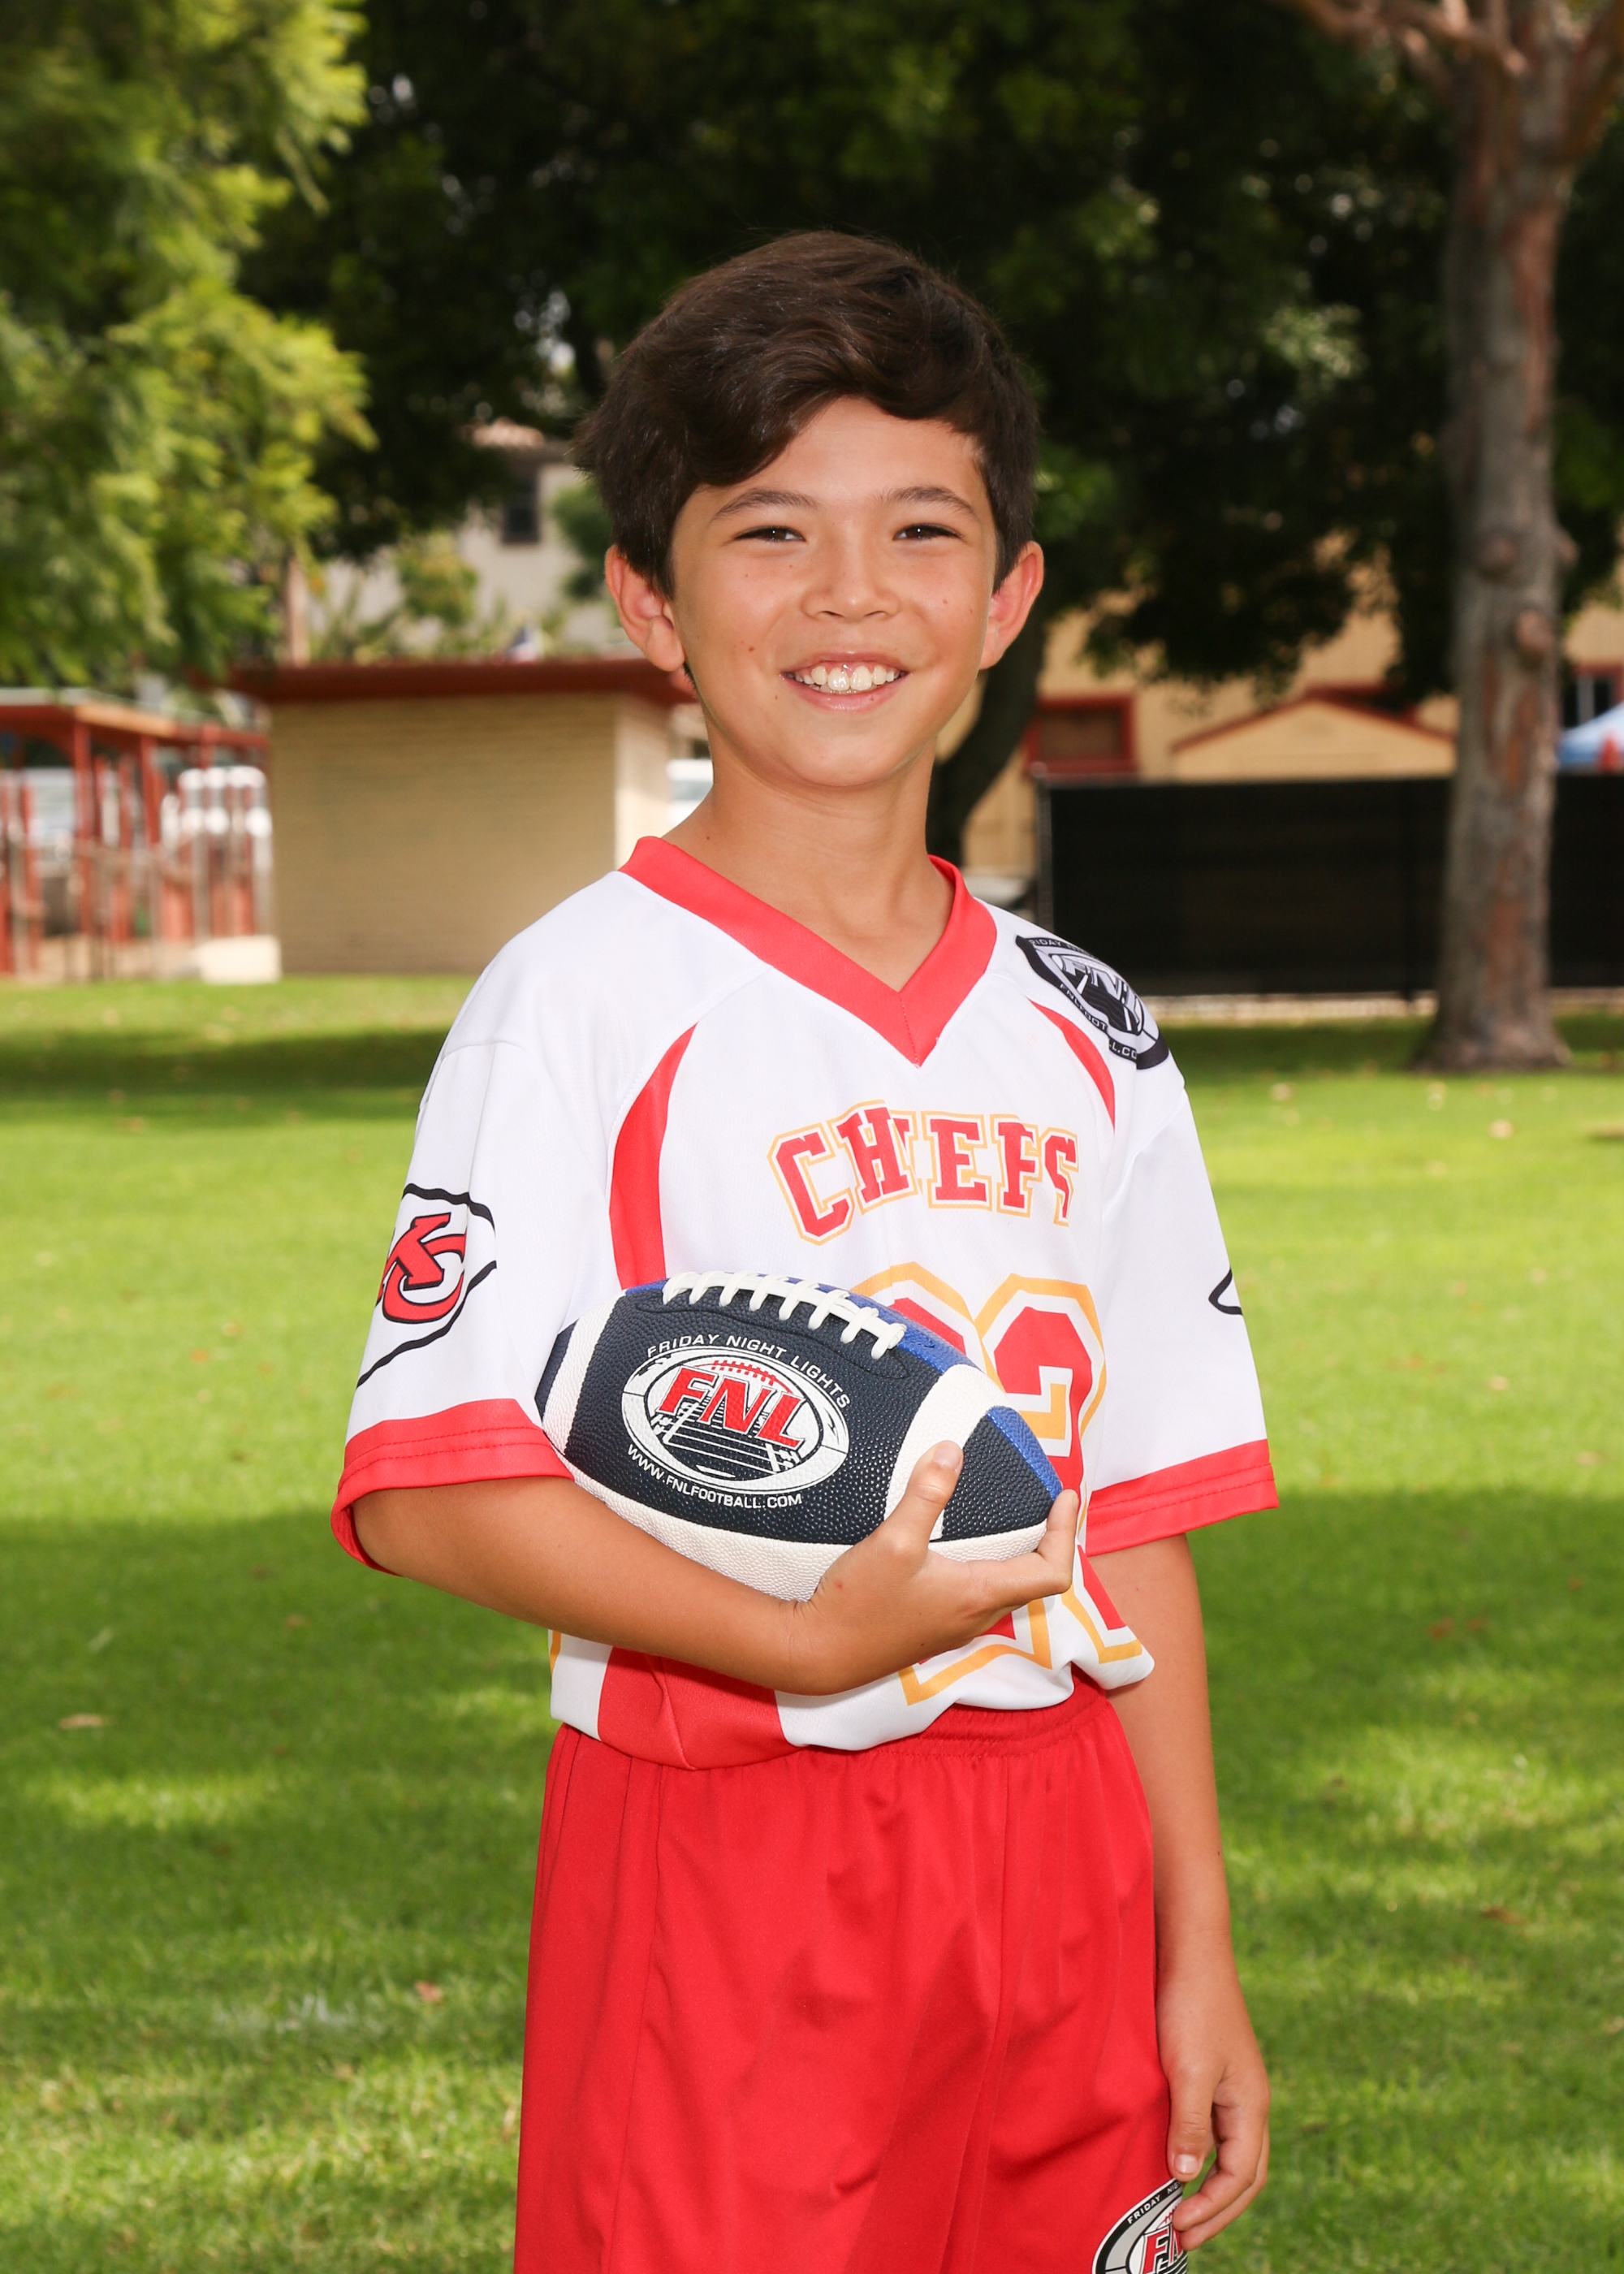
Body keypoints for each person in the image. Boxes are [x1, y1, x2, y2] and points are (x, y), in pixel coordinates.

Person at [333, 232, 1276, 2274]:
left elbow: (1135, 1516)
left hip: (1065, 1843)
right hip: (730, 1824)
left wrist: (1193, 1933)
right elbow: (430, 1486)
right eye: (770, 530)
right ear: (651, 603)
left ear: (1006, 596)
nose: (850, 593)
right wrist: (806, 1643)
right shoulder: (578, 997)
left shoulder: (1091, 1025)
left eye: (920, 528)